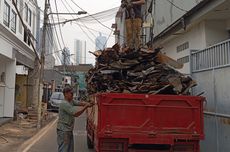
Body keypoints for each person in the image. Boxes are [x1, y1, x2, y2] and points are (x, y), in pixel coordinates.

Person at [56, 87, 93, 152]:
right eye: (71, 93)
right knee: (64, 149)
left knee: (70, 149)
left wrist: (88, 103)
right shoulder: (64, 104)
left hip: (68, 130)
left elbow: (79, 103)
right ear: (66, 94)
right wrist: (86, 106)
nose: (73, 95)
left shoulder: (71, 101)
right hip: (63, 130)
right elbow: (76, 114)